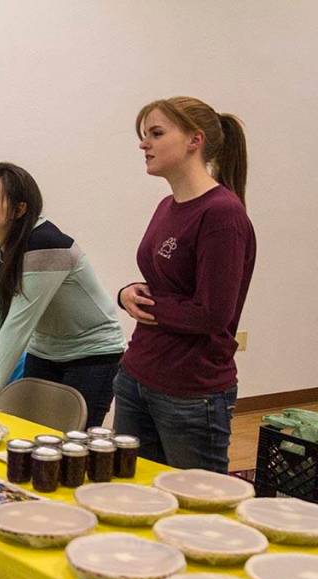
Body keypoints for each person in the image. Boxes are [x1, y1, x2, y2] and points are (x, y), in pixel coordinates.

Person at [0, 162, 126, 427]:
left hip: (93, 353)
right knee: (27, 437)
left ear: (19, 209)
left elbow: (18, 325)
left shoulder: (46, 244)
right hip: (44, 351)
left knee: (71, 448)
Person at [113, 97, 255, 473]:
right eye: (144, 136)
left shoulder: (222, 214)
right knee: (131, 498)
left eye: (156, 134)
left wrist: (152, 306)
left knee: (197, 514)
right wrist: (127, 293)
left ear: (195, 140)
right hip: (137, 375)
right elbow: (165, 281)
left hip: (191, 391)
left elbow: (211, 313)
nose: (145, 144)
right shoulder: (167, 205)